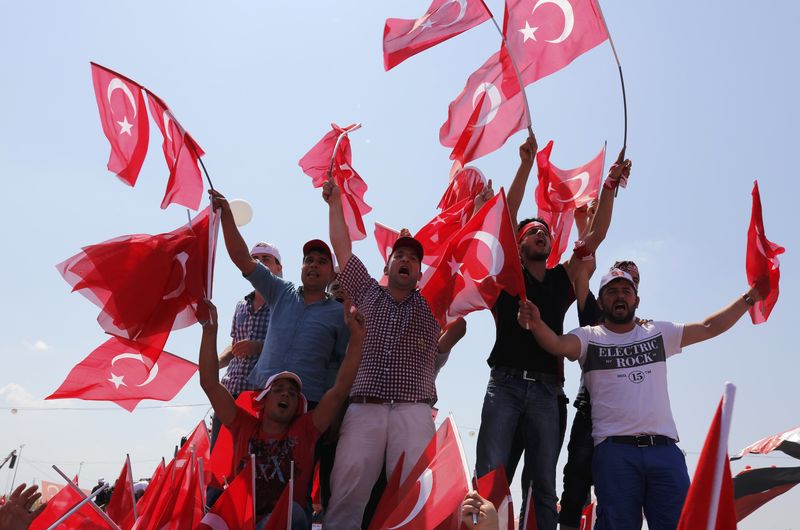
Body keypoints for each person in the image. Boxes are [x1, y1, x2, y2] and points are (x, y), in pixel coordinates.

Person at [518, 267, 766, 530]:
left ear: (637, 300)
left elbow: (708, 327)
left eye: (626, 291)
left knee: (680, 524)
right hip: (615, 453)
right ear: (601, 302)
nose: (619, 296)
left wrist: (750, 297)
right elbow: (556, 344)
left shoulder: (657, 333)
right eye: (611, 292)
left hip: (665, 452)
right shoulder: (589, 337)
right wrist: (536, 323)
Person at [474, 135, 632, 529]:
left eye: (544, 232)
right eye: (531, 232)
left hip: (547, 391)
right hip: (505, 387)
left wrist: (609, 186)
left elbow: (595, 236)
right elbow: (503, 222)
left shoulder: (563, 278)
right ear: (519, 242)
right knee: (490, 478)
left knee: (543, 484)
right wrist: (525, 165)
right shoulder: (506, 276)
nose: (540, 235)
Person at [321, 178, 467, 529]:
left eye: (413, 258)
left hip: (413, 412)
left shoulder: (434, 301)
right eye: (399, 255)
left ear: (419, 272)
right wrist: (335, 203)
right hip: (364, 409)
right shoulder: (368, 293)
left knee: (416, 497)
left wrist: (476, 210)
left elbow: (466, 256)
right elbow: (342, 249)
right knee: (347, 492)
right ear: (387, 266)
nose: (406, 259)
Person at [199, 298, 365, 529]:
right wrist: (209, 330)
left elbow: (339, 390)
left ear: (299, 404)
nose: (285, 395)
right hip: (244, 521)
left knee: (294, 512)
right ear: (263, 402)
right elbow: (210, 384)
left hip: (287, 521)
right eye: (278, 390)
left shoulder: (306, 429)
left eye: (292, 393)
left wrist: (357, 339)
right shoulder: (244, 426)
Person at [558, 259, 640, 530]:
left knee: (620, 490)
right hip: (590, 412)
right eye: (615, 283)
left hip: (625, 423)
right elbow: (581, 279)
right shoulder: (595, 317)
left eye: (629, 283)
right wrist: (584, 233)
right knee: (576, 483)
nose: (621, 291)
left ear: (636, 293)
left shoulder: (645, 331)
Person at [211, 241, 282, 450]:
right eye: (255, 259)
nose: (258, 263)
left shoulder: (286, 302)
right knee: (220, 458)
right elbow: (235, 344)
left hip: (261, 396)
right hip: (230, 392)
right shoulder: (241, 305)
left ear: (279, 268)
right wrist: (214, 363)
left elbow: (290, 344)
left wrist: (257, 346)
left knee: (252, 461)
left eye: (265, 259)